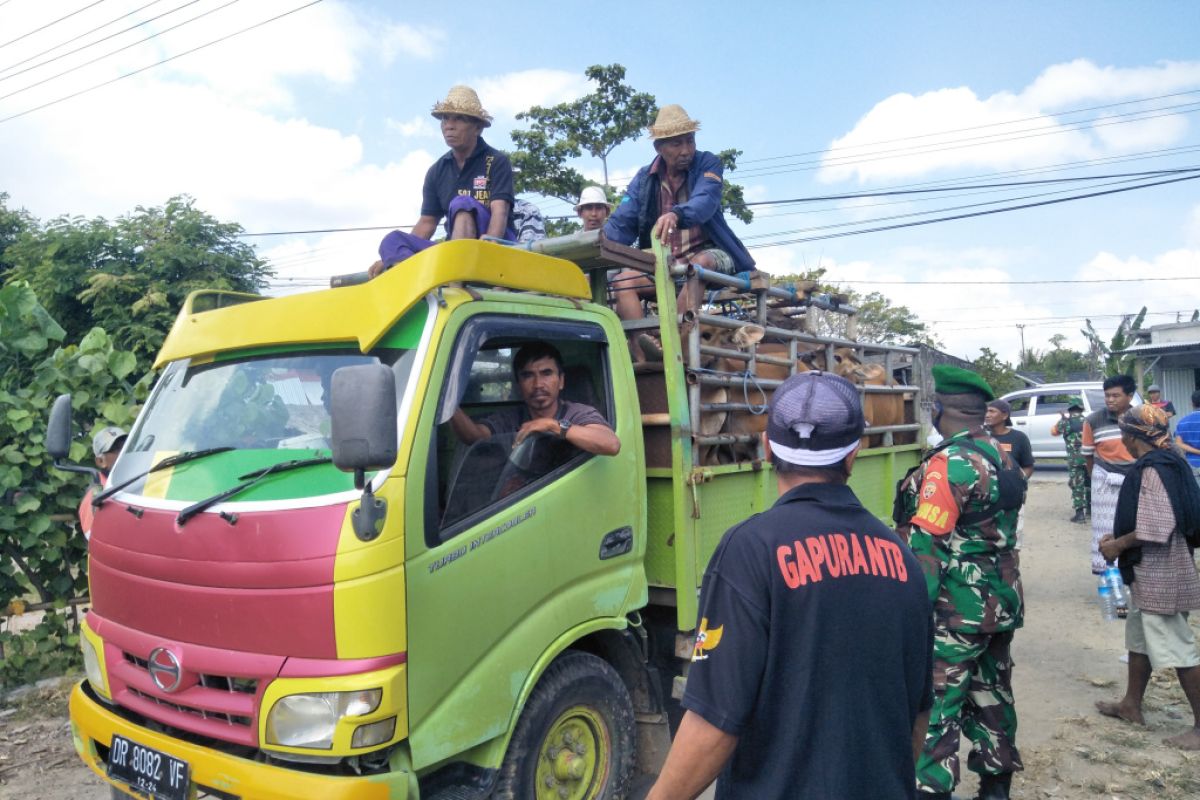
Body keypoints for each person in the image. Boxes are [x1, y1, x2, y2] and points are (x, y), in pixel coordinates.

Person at [648, 371, 933, 800]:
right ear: (853, 454)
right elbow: (917, 713)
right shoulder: (902, 558)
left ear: (767, 449)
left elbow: (715, 721)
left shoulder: (750, 550)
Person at [897, 365, 1023, 800]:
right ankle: (996, 789)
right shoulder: (999, 454)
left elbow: (927, 551)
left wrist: (911, 616)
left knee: (936, 708)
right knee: (992, 697)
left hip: (955, 610)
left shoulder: (949, 464)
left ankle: (933, 789)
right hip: (999, 604)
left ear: (937, 409)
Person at [603, 105, 755, 360]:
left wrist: (677, 214)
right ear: (659, 148)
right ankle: (646, 357)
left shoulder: (708, 163)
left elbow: (705, 201)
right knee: (622, 282)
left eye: (690, 141)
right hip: (665, 264)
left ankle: (669, 341)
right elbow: (621, 224)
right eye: (676, 144)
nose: (686, 150)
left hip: (712, 256)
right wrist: (597, 247)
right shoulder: (644, 179)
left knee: (699, 265)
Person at [1096, 404, 1200, 751]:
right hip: (1149, 568)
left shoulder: (1155, 468)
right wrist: (1118, 542)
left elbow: (1156, 527)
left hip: (1161, 570)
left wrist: (1117, 546)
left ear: (1133, 436)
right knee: (1139, 638)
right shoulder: (1170, 461)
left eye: (1124, 431)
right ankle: (1131, 706)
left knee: (1177, 646)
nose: (1121, 436)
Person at [370, 85, 515, 275]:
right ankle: (411, 274)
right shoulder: (437, 171)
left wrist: (492, 246)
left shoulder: (496, 161)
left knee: (462, 204)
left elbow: (500, 212)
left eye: (459, 119)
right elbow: (427, 223)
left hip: (493, 248)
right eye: (446, 118)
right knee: (392, 240)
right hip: (452, 251)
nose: (449, 125)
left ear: (477, 127)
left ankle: (455, 280)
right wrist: (391, 256)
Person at [449, 342, 620, 457]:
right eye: (528, 376)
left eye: (546, 373)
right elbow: (474, 436)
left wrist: (552, 425)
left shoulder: (577, 413)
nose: (538, 384)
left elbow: (611, 444)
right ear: (518, 385)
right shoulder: (510, 418)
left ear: (561, 381)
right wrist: (448, 403)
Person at [1083, 375, 1138, 575]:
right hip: (1105, 480)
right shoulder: (1093, 421)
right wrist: (1095, 478)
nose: (1110, 400)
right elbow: (1088, 456)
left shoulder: (1141, 417)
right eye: (1107, 396)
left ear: (1130, 396)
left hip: (1136, 478)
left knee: (1135, 526)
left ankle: (1132, 569)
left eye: (1116, 395)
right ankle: (1106, 571)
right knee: (1104, 528)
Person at [78, 426, 126, 539]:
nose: (124, 453)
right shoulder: (96, 494)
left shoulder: (132, 482)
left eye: (127, 446)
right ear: (100, 461)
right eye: (118, 449)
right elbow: (94, 537)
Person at [1051, 397, 1091, 523]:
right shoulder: (1088, 421)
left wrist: (1062, 420)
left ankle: (1080, 515)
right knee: (1090, 483)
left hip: (1075, 460)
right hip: (1090, 458)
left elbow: (1053, 432)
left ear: (1070, 409)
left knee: (1077, 485)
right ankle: (1091, 509)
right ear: (1081, 409)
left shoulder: (1065, 422)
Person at [1173, 389, 1200, 474]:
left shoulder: (1183, 421)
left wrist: (1197, 452)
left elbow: (1178, 444)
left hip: (1191, 465)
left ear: (1192, 403)